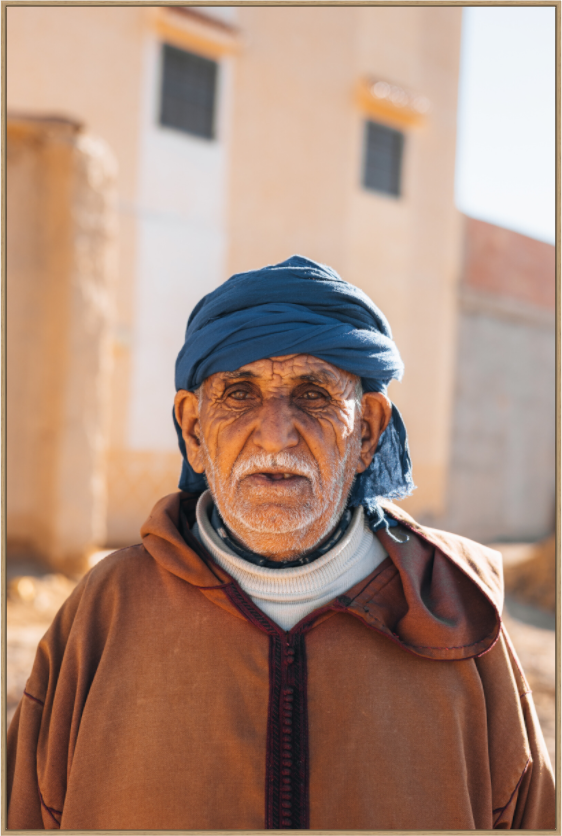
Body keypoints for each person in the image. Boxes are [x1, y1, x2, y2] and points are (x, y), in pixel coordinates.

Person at [8, 256, 554, 830]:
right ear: (194, 430)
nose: (275, 431)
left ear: (366, 430)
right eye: (239, 393)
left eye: (313, 394)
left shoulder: (457, 614)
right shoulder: (106, 611)